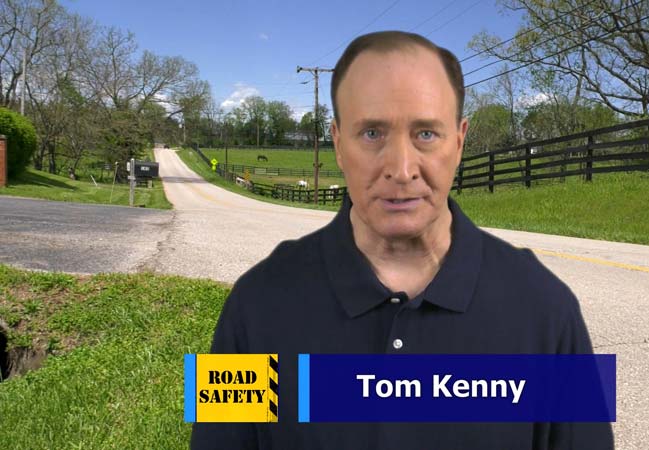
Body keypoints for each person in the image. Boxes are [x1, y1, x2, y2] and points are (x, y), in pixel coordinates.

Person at [191, 30, 613, 449]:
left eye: (426, 133)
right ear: (338, 144)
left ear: (459, 141)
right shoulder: (255, 303)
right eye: (372, 133)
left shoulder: (546, 308)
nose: (401, 168)